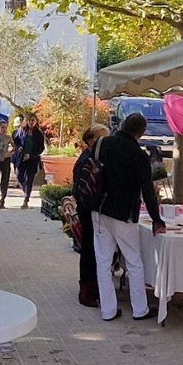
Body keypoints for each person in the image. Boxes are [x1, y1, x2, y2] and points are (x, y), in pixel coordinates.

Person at [91, 113, 165, 321]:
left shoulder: (102, 143)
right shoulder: (139, 155)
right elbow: (147, 191)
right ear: (141, 132)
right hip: (124, 213)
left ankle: (108, 310)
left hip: (99, 208)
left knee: (103, 262)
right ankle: (140, 309)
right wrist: (156, 219)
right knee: (134, 262)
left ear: (123, 125)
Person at [72, 124, 109, 307]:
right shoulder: (87, 160)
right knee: (89, 248)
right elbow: (80, 189)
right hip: (88, 210)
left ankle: (93, 288)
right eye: (101, 138)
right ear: (90, 140)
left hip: (90, 209)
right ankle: (86, 291)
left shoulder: (95, 157)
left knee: (92, 249)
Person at [12, 113, 45, 209]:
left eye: (33, 120)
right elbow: (16, 141)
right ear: (27, 121)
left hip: (32, 160)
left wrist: (31, 155)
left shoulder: (39, 134)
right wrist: (19, 147)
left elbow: (40, 149)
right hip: (21, 158)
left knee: (29, 180)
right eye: (29, 120)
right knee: (20, 177)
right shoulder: (21, 130)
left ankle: (26, 199)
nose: (31, 122)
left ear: (36, 121)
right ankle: (25, 191)